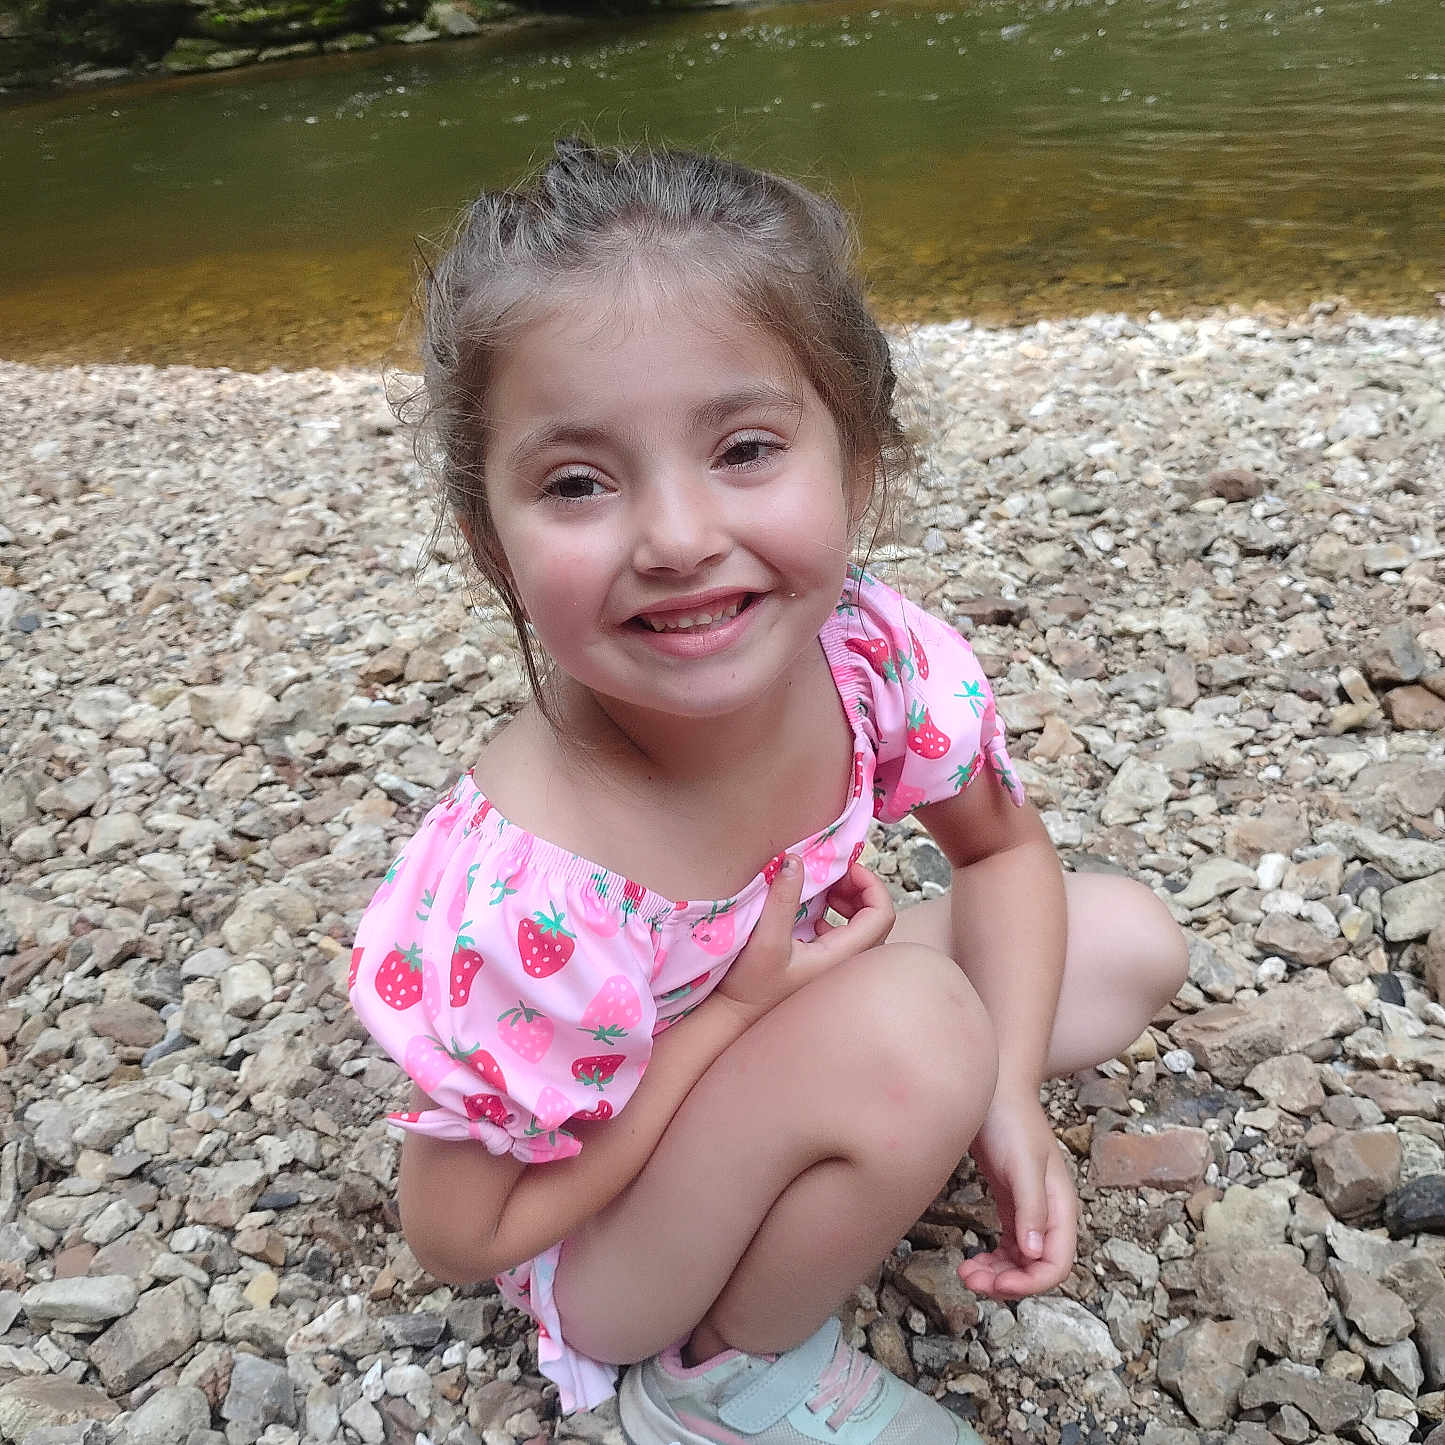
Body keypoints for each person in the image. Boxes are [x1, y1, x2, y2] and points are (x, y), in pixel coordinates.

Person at [349, 136, 1189, 1445]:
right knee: (918, 1028)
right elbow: (460, 1236)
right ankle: (720, 1370)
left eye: (743, 448)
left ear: (855, 467)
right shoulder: (522, 889)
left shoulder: (868, 658)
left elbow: (1001, 854)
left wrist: (1009, 1094)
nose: (678, 537)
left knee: (1123, 938)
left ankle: (871, 1097)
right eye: (577, 481)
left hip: (775, 1013)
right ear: (491, 542)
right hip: (602, 1249)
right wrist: (733, 1012)